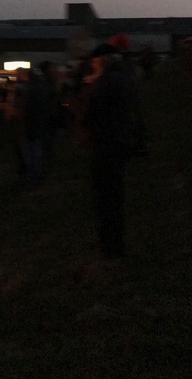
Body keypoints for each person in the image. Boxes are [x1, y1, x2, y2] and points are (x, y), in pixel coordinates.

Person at [83, 43, 141, 259]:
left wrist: (90, 88)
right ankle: (115, 243)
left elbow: (91, 114)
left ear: (103, 60)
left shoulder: (106, 82)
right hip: (120, 141)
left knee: (107, 198)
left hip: (107, 144)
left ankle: (111, 246)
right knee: (114, 195)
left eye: (95, 62)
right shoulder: (124, 77)